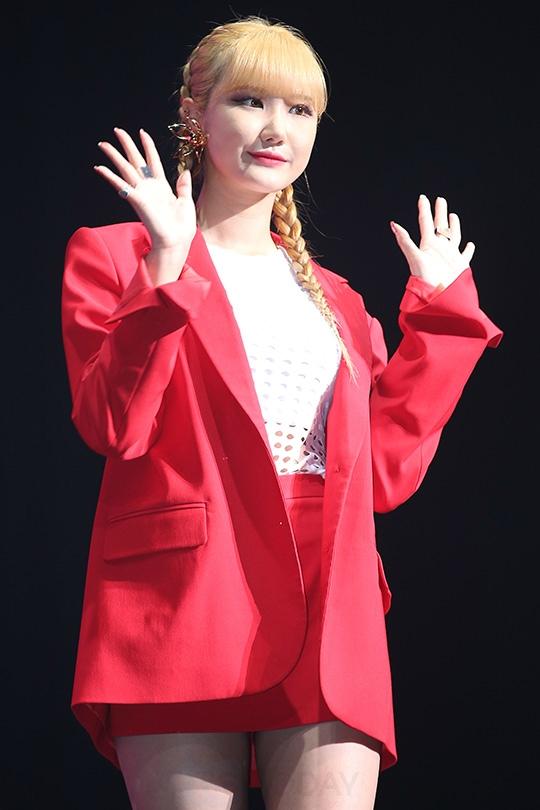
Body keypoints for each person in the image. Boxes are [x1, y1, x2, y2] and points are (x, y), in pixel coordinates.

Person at [61, 14, 503, 810]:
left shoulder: (337, 301)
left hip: (330, 605)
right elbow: (114, 425)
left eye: (299, 110)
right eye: (250, 101)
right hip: (185, 599)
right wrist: (166, 270)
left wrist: (440, 327)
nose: (277, 128)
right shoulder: (117, 253)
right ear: (195, 114)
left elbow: (386, 474)